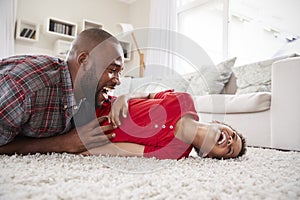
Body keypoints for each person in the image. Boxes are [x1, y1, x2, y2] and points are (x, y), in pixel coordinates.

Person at [0, 28, 131, 155]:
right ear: (84, 61)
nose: (118, 81)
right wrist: (63, 143)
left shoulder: (90, 92)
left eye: (120, 73)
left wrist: (125, 97)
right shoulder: (26, 88)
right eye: (112, 70)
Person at [81, 87, 247, 159]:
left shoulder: (175, 153)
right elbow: (146, 95)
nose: (229, 140)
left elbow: (122, 150)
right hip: (97, 103)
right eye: (232, 134)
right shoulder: (184, 99)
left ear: (208, 154)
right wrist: (125, 97)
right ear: (218, 123)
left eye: (229, 150)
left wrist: (81, 149)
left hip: (88, 132)